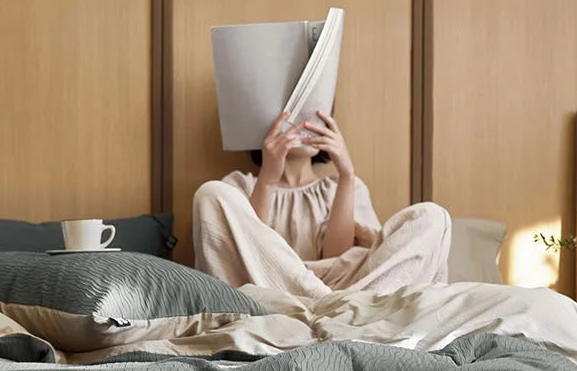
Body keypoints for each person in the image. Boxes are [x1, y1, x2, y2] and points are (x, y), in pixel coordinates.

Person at [193, 110, 451, 298]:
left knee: (432, 216)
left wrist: (347, 176)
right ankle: (329, 309)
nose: (305, 125)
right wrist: (268, 180)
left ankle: (336, 309)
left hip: (346, 289)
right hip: (271, 291)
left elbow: (337, 257)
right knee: (210, 193)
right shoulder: (239, 187)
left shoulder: (344, 187)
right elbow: (246, 255)